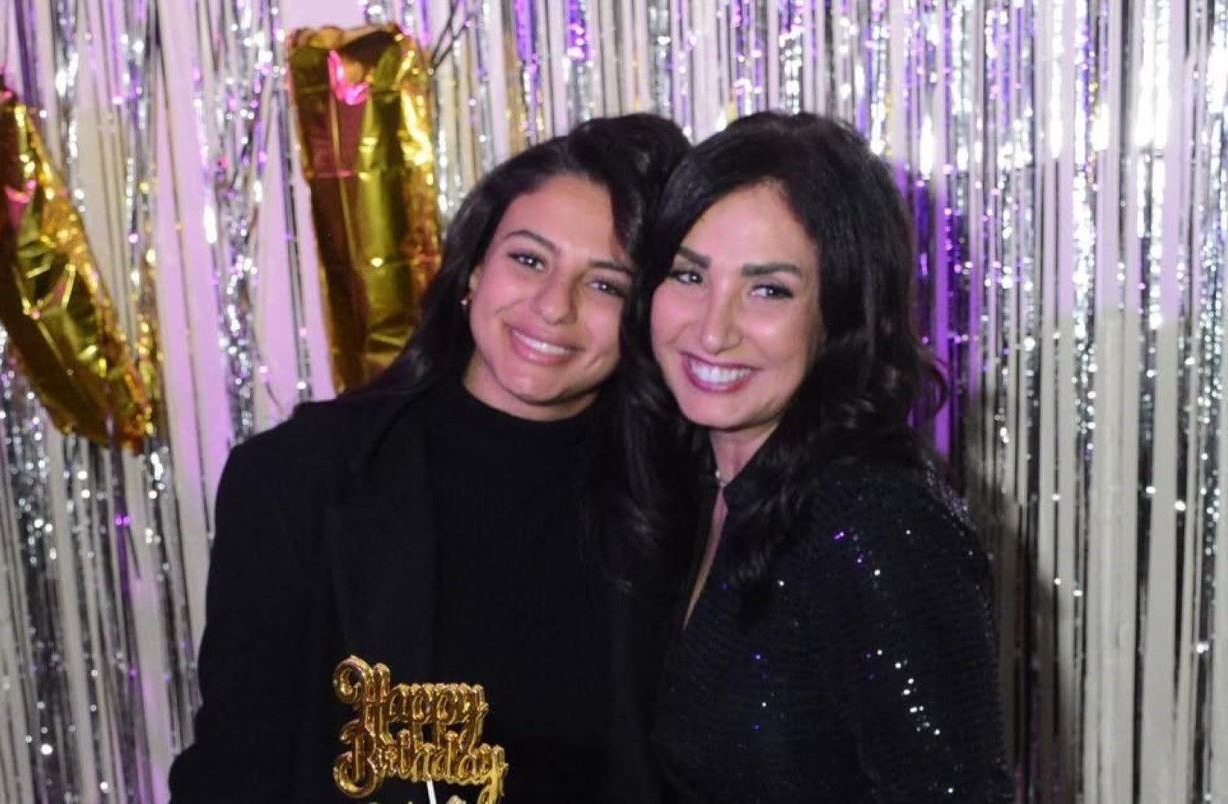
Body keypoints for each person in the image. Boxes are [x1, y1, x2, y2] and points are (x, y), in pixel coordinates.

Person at [168, 113, 689, 803]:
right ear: (472, 268)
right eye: (528, 260)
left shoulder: (681, 498)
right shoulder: (299, 479)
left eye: (605, 285)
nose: (553, 307)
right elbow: (234, 771)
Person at [617, 111, 1012, 802]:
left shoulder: (874, 522)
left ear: (839, 317)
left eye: (768, 290)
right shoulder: (696, 476)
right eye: (688, 276)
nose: (712, 330)